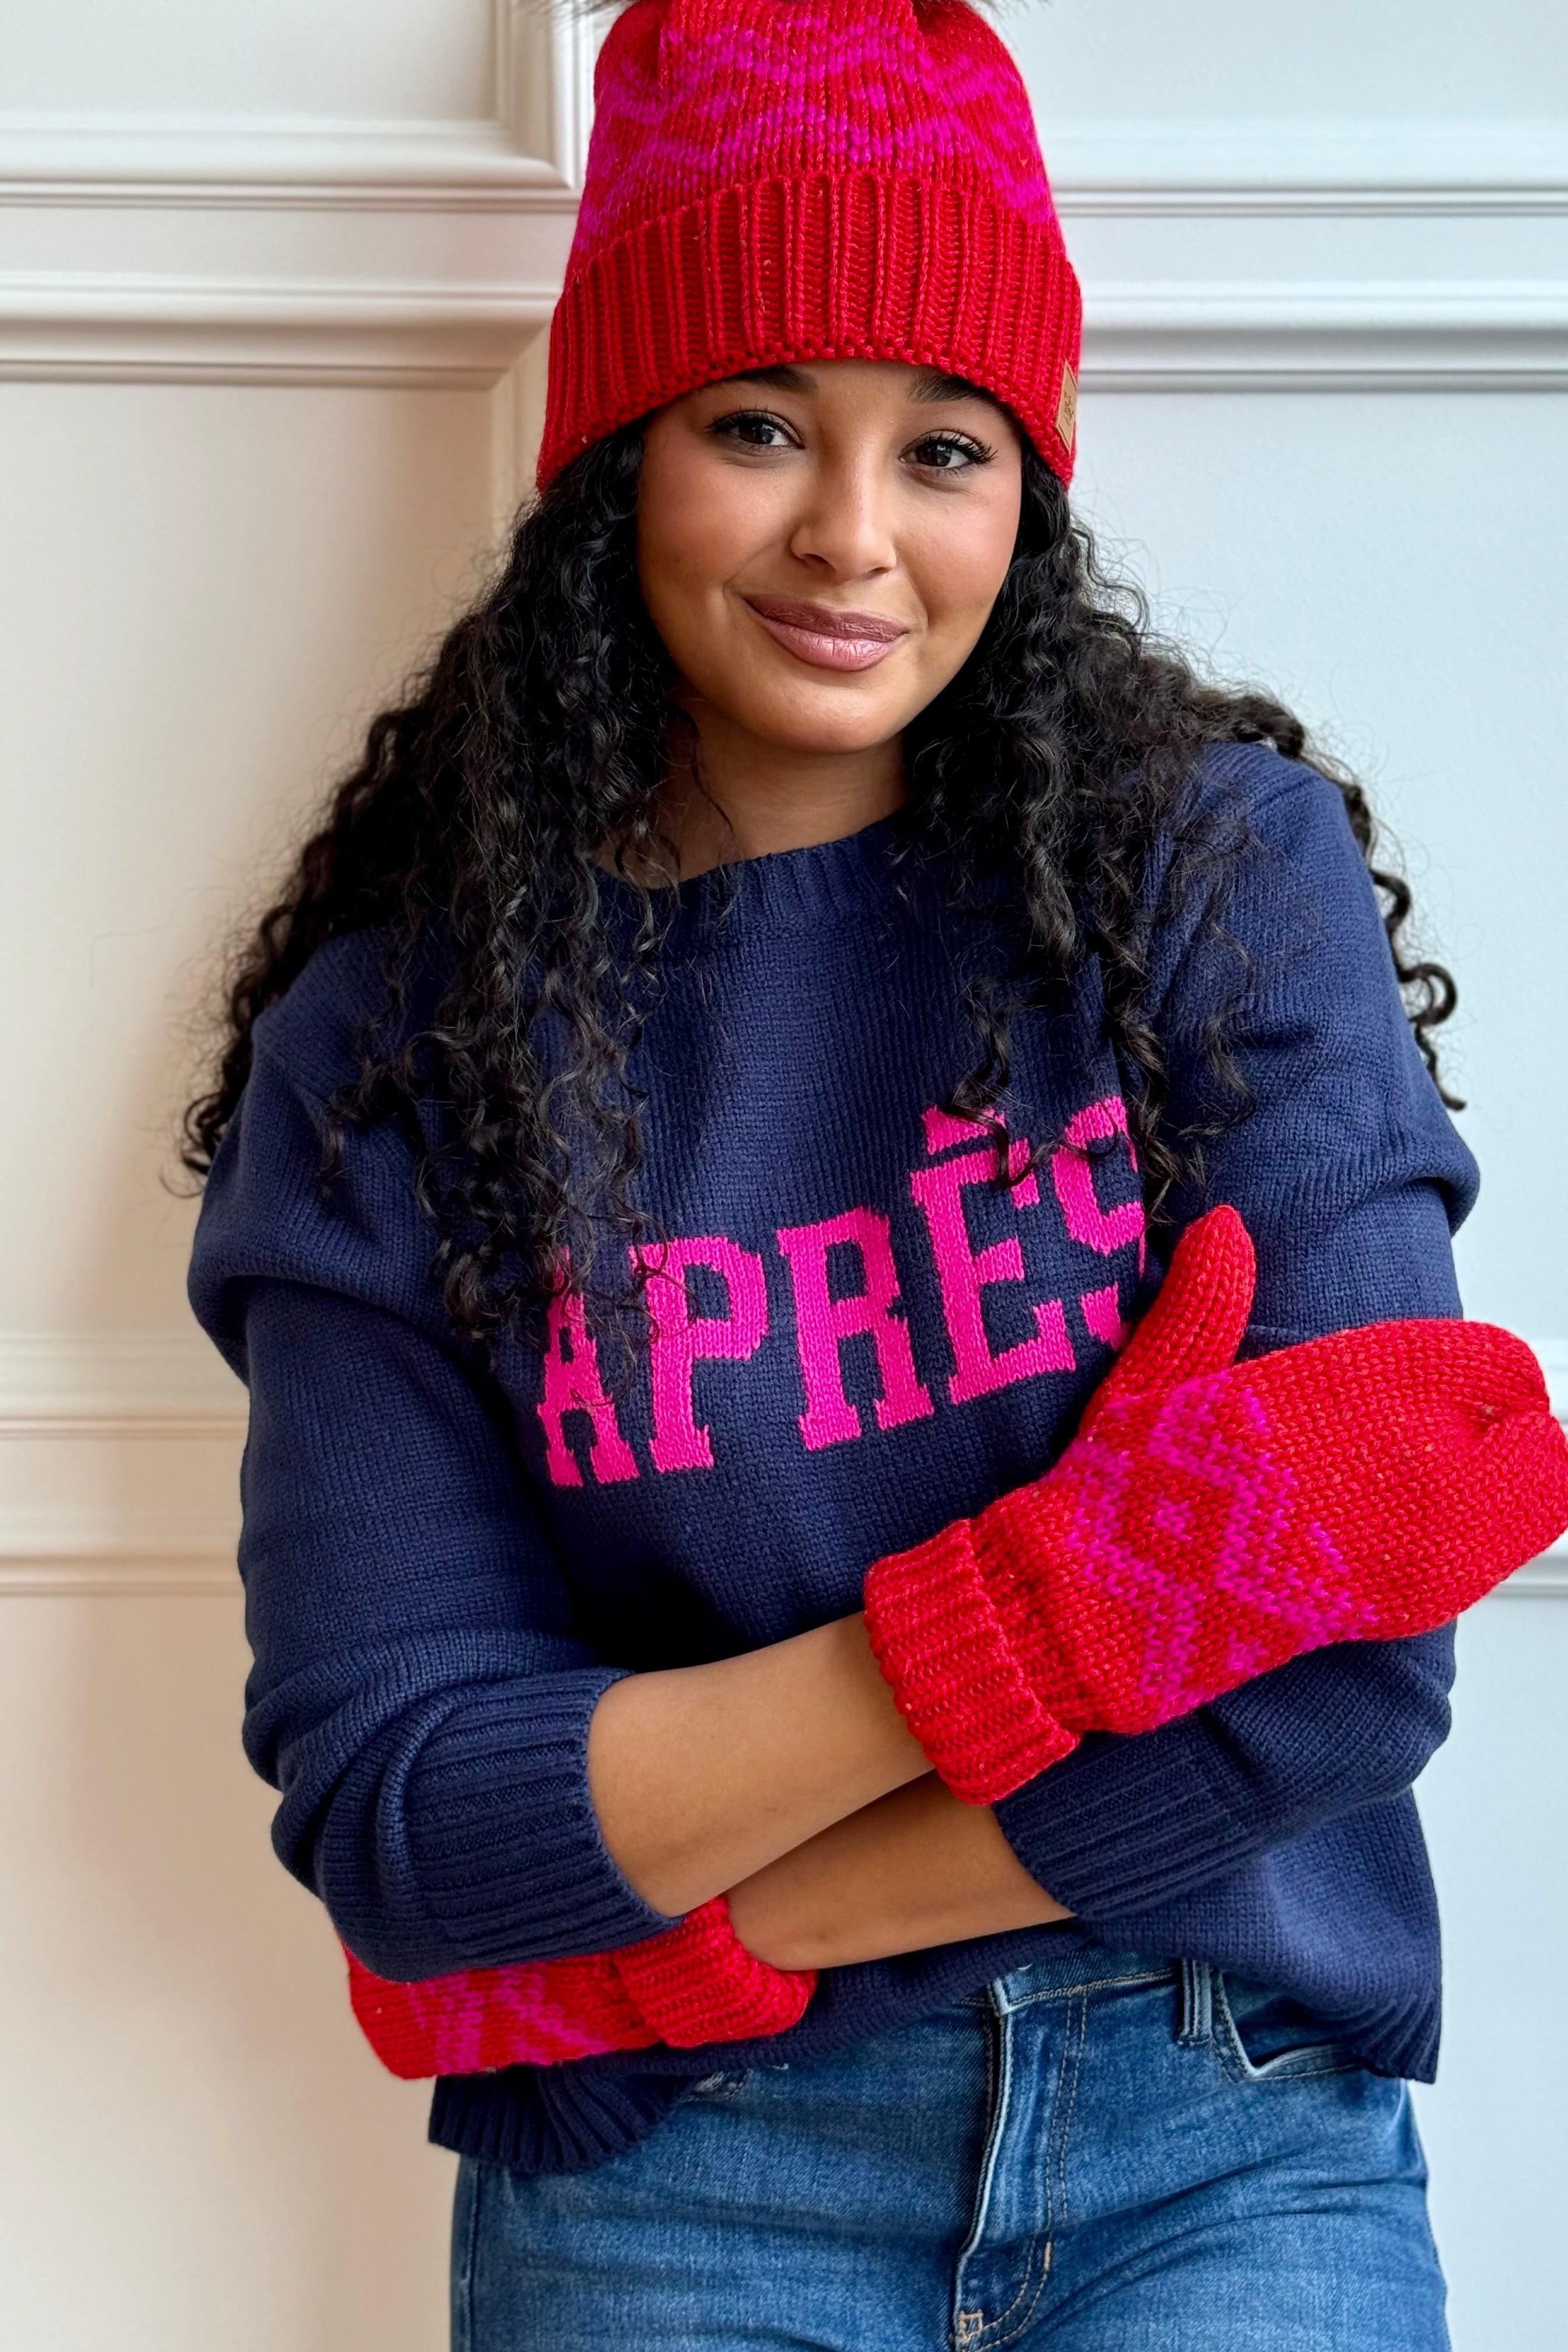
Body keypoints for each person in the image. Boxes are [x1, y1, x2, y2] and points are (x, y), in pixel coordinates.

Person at [181, 4, 1567, 2345]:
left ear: (1024, 493)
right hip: (672, 2192)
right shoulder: (395, 1054)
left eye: (944, 445)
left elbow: (1356, 1646)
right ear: (619, 458)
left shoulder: (1206, 882)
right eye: (755, 426)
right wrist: (1044, 1617)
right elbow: (413, 1807)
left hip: (1217, 2110)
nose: (854, 533)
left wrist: (699, 1930)